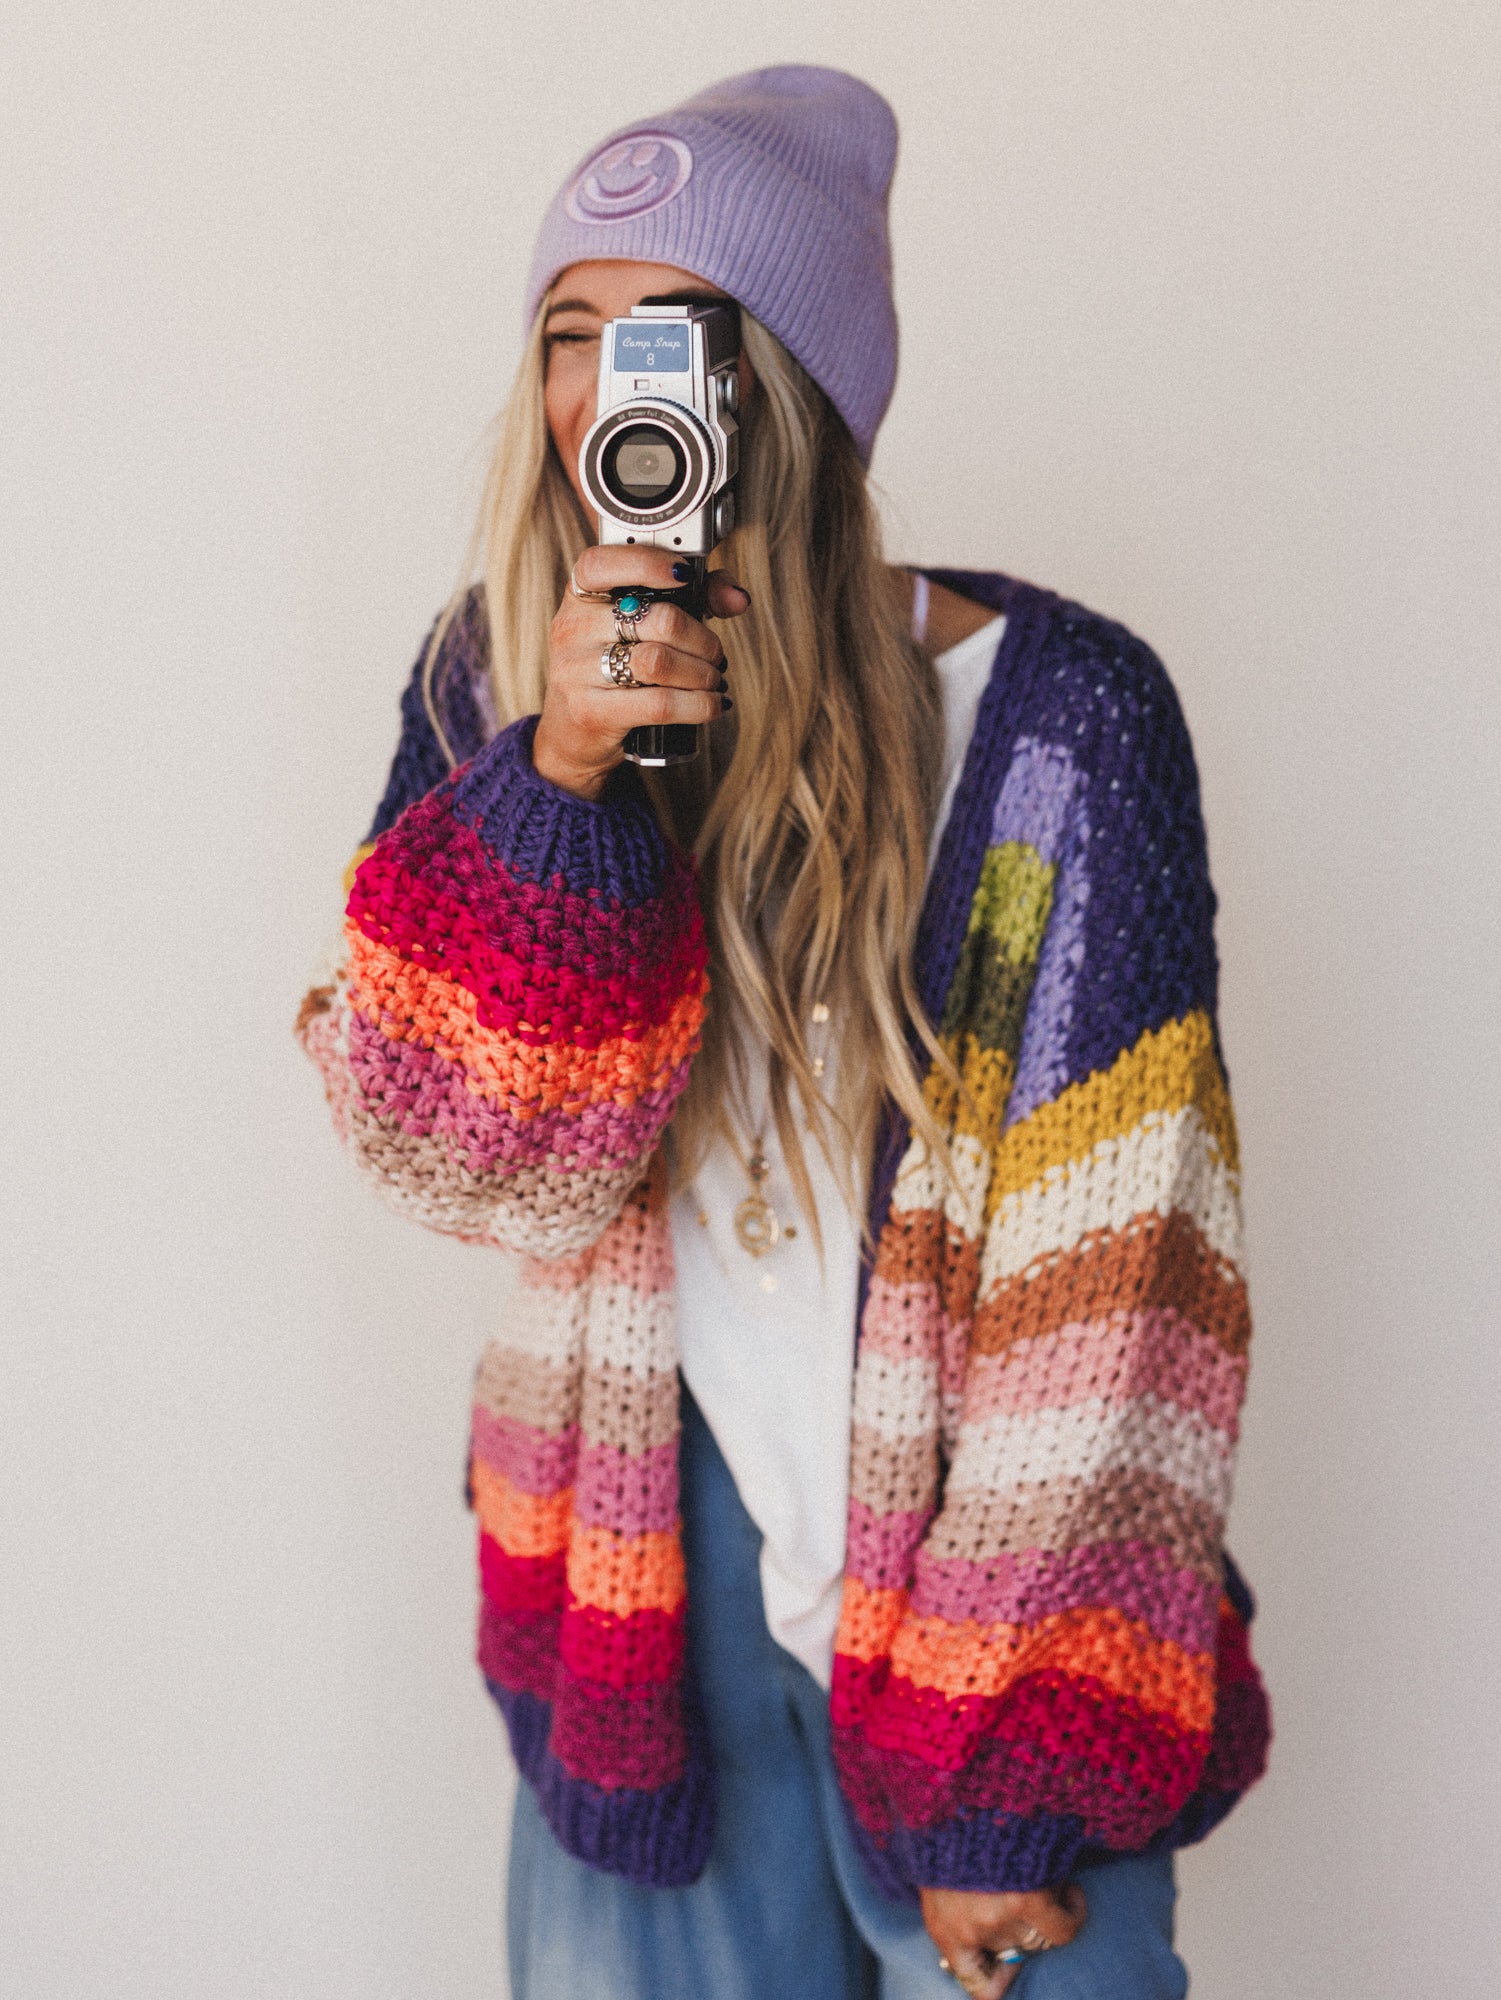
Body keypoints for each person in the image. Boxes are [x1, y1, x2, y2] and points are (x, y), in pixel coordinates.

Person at [299, 65, 1270, 2000]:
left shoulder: (1057, 719)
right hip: (636, 1595)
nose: (611, 396)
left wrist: (1006, 1795)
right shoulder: (491, 682)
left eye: (676, 341)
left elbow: (1123, 1282)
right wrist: (565, 786)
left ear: (793, 392)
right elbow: (447, 1149)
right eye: (572, 337)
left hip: (996, 1615)